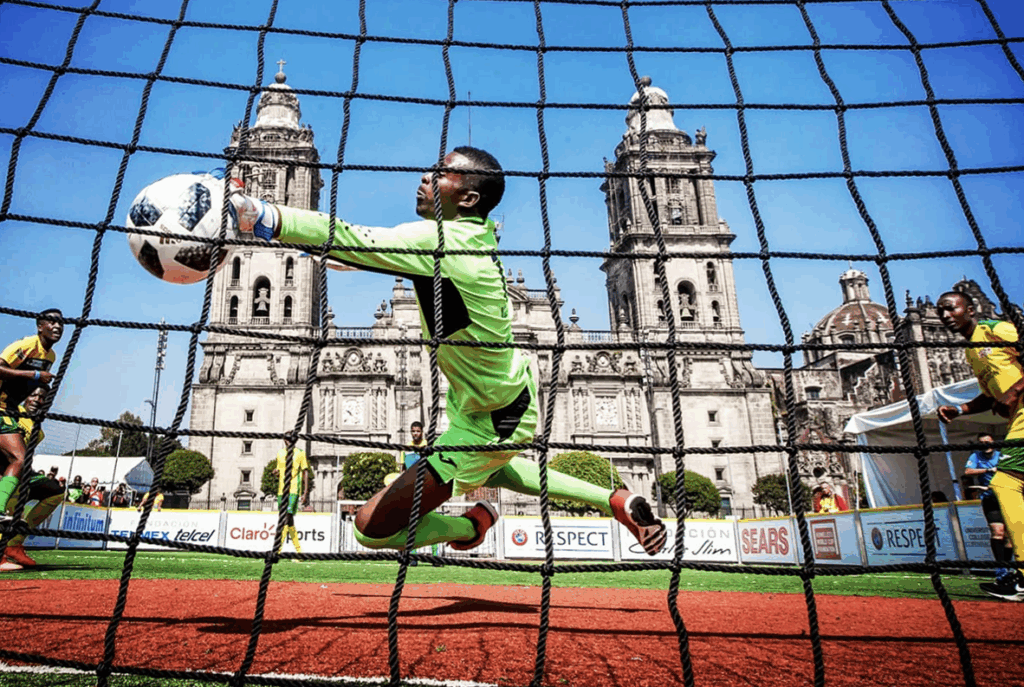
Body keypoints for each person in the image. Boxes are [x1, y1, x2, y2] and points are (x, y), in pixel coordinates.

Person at [230, 146, 667, 556]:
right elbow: (375, 253)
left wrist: (264, 215)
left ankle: (470, 527)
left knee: (369, 527)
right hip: (493, 404)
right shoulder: (474, 239)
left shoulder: (441, 242)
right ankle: (616, 499)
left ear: (469, 197)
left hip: (492, 416)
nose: (426, 177)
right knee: (492, 464)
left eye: (441, 173)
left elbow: (348, 235)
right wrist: (354, 255)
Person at [935, 291, 1024, 601]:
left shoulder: (995, 329)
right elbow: (989, 395)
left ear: (970, 309)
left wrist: (1014, 392)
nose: (945, 315)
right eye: (940, 311)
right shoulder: (972, 350)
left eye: (951, 308)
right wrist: (959, 409)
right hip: (1017, 416)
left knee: (1005, 483)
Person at [0, 308, 63, 520]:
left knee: (18, 460)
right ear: (39, 327)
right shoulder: (26, 346)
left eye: (61, 323)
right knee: (20, 457)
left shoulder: (51, 356)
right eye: (52, 322)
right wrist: (35, 375)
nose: (57, 326)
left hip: (8, 410)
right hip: (1, 409)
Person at [1, 385, 65, 571]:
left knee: (55, 491)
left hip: (18, 474)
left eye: (42, 397)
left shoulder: (39, 432)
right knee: (7, 506)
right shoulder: (10, 412)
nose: (37, 399)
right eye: (33, 395)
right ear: (24, 397)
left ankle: (14, 543)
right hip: (5, 474)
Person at [963, 432, 1015, 581]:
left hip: (1007, 497)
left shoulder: (1002, 456)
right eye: (982, 443)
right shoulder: (976, 456)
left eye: (988, 442)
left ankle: (1007, 567)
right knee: (997, 531)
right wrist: (988, 471)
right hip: (990, 499)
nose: (985, 445)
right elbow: (968, 471)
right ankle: (1001, 569)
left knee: (1009, 536)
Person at [272, 440, 310, 557]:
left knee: (286, 517)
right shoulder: (280, 453)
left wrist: (305, 492)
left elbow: (305, 472)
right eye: (286, 439)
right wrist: (276, 473)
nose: (288, 441)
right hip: (281, 491)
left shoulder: (300, 453)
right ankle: (299, 552)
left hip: (293, 490)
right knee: (289, 521)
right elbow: (279, 472)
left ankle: (277, 551)